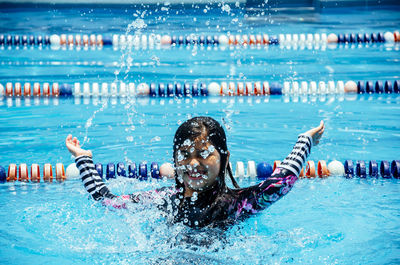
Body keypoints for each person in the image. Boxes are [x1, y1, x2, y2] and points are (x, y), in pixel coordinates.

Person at [66, 116, 325, 228]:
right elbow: (108, 202)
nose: (192, 164)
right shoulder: (163, 201)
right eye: (185, 154)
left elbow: (280, 183)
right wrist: (83, 159)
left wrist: (305, 141)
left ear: (224, 160)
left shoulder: (235, 205)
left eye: (203, 154)